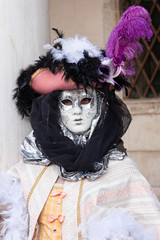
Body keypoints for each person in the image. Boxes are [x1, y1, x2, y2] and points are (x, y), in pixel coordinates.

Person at [0, 6, 160, 240]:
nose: (76, 111)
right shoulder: (31, 167)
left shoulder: (122, 172)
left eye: (85, 100)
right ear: (54, 109)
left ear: (99, 107)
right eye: (66, 102)